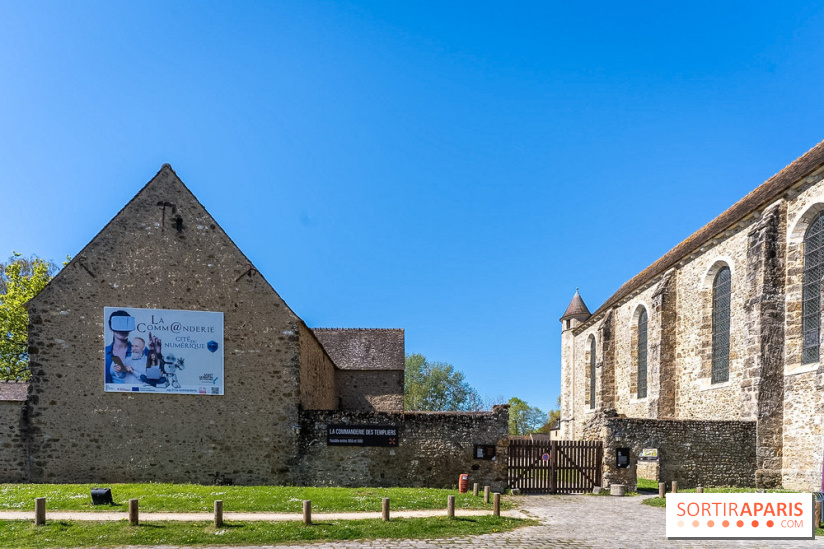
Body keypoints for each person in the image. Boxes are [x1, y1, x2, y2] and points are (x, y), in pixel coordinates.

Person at [105, 310, 134, 384]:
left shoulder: (141, 350)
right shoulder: (104, 353)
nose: (122, 329)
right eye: (118, 324)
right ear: (110, 328)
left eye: (125, 325)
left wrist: (157, 353)